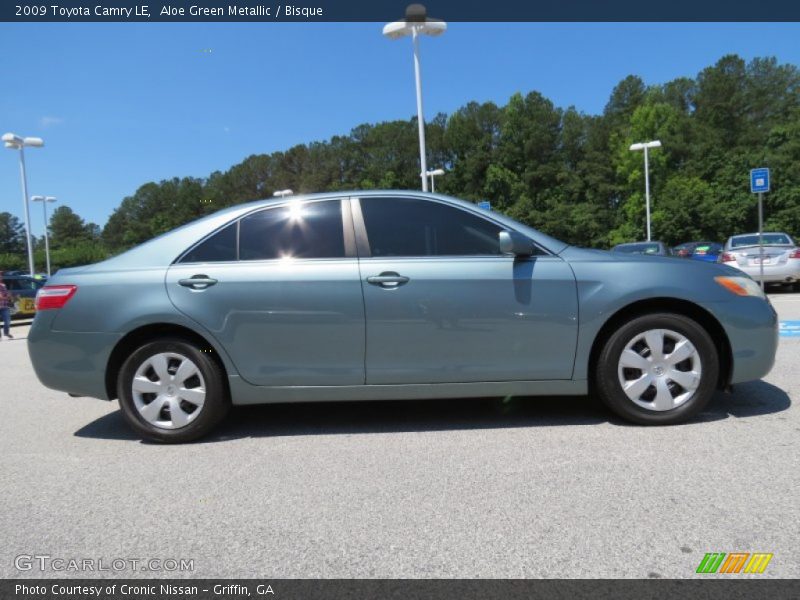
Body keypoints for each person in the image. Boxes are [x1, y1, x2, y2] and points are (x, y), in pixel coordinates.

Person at [0, 271, 13, 340]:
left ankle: (6, 333)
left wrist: (9, 296)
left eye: (1, 275)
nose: (1, 277)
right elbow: (1, 297)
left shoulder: (3, 285)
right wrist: (7, 296)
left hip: (4, 305)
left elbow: (6, 295)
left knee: (7, 321)